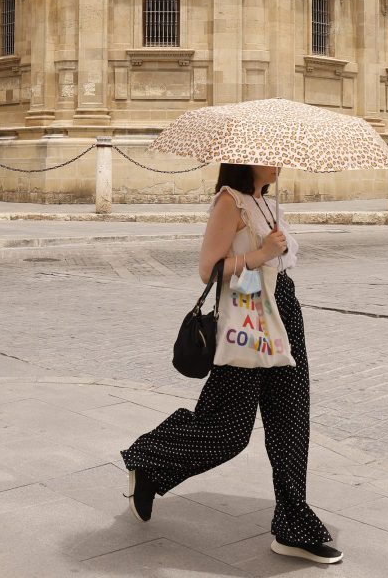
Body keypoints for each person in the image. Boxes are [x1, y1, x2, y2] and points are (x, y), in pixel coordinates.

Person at [121, 163, 342, 566]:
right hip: (247, 316)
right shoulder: (230, 201)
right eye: (269, 158)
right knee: (228, 430)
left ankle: (293, 527)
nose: (277, 164)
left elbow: (278, 262)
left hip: (283, 311)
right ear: (246, 160)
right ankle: (149, 460)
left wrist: (277, 250)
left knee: (292, 419)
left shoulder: (266, 200)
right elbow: (209, 269)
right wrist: (262, 253)